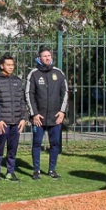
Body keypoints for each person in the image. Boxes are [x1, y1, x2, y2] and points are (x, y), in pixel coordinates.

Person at [26, 46, 68, 180]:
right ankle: (36, 170)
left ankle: (52, 170)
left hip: (55, 117)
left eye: (49, 55)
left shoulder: (59, 73)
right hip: (39, 117)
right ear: (39, 58)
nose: (47, 58)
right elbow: (29, 94)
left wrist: (62, 112)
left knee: (55, 144)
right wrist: (34, 114)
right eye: (44, 56)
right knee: (37, 143)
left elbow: (65, 93)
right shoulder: (33, 74)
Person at [0, 54, 28, 182]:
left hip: (16, 122)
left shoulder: (17, 81)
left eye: (12, 65)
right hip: (3, 122)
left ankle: (10, 172)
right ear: (2, 65)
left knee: (12, 149)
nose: (11, 67)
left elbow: (22, 101)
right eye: (8, 65)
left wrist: (24, 118)